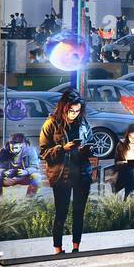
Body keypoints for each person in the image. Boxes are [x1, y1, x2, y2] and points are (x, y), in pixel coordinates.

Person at [38, 90, 94, 254]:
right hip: (62, 175)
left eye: (77, 111)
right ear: (63, 108)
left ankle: (76, 247)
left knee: (79, 212)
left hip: (82, 173)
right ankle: (58, 249)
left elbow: (90, 141)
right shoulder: (51, 124)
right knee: (61, 212)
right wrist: (63, 148)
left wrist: (88, 149)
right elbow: (44, 153)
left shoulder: (82, 123)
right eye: (71, 111)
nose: (74, 115)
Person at [0, 133, 39, 197]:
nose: (14, 149)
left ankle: (29, 199)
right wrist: (4, 172)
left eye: (17, 145)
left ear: (22, 144)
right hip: (8, 178)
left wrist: (26, 171)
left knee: (37, 176)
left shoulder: (31, 151)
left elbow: (35, 167)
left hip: (24, 176)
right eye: (12, 145)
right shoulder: (4, 152)